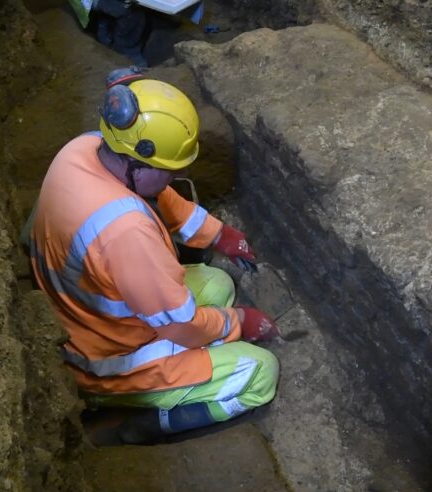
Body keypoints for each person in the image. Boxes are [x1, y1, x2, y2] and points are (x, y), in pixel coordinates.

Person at [27, 66, 280, 444]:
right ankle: (139, 422)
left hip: (83, 311)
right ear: (138, 164)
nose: (173, 177)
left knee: (218, 283)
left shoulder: (86, 148)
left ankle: (188, 363)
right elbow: (183, 326)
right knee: (261, 372)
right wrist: (239, 322)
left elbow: (160, 197)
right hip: (104, 356)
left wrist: (219, 235)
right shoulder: (127, 233)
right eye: (168, 170)